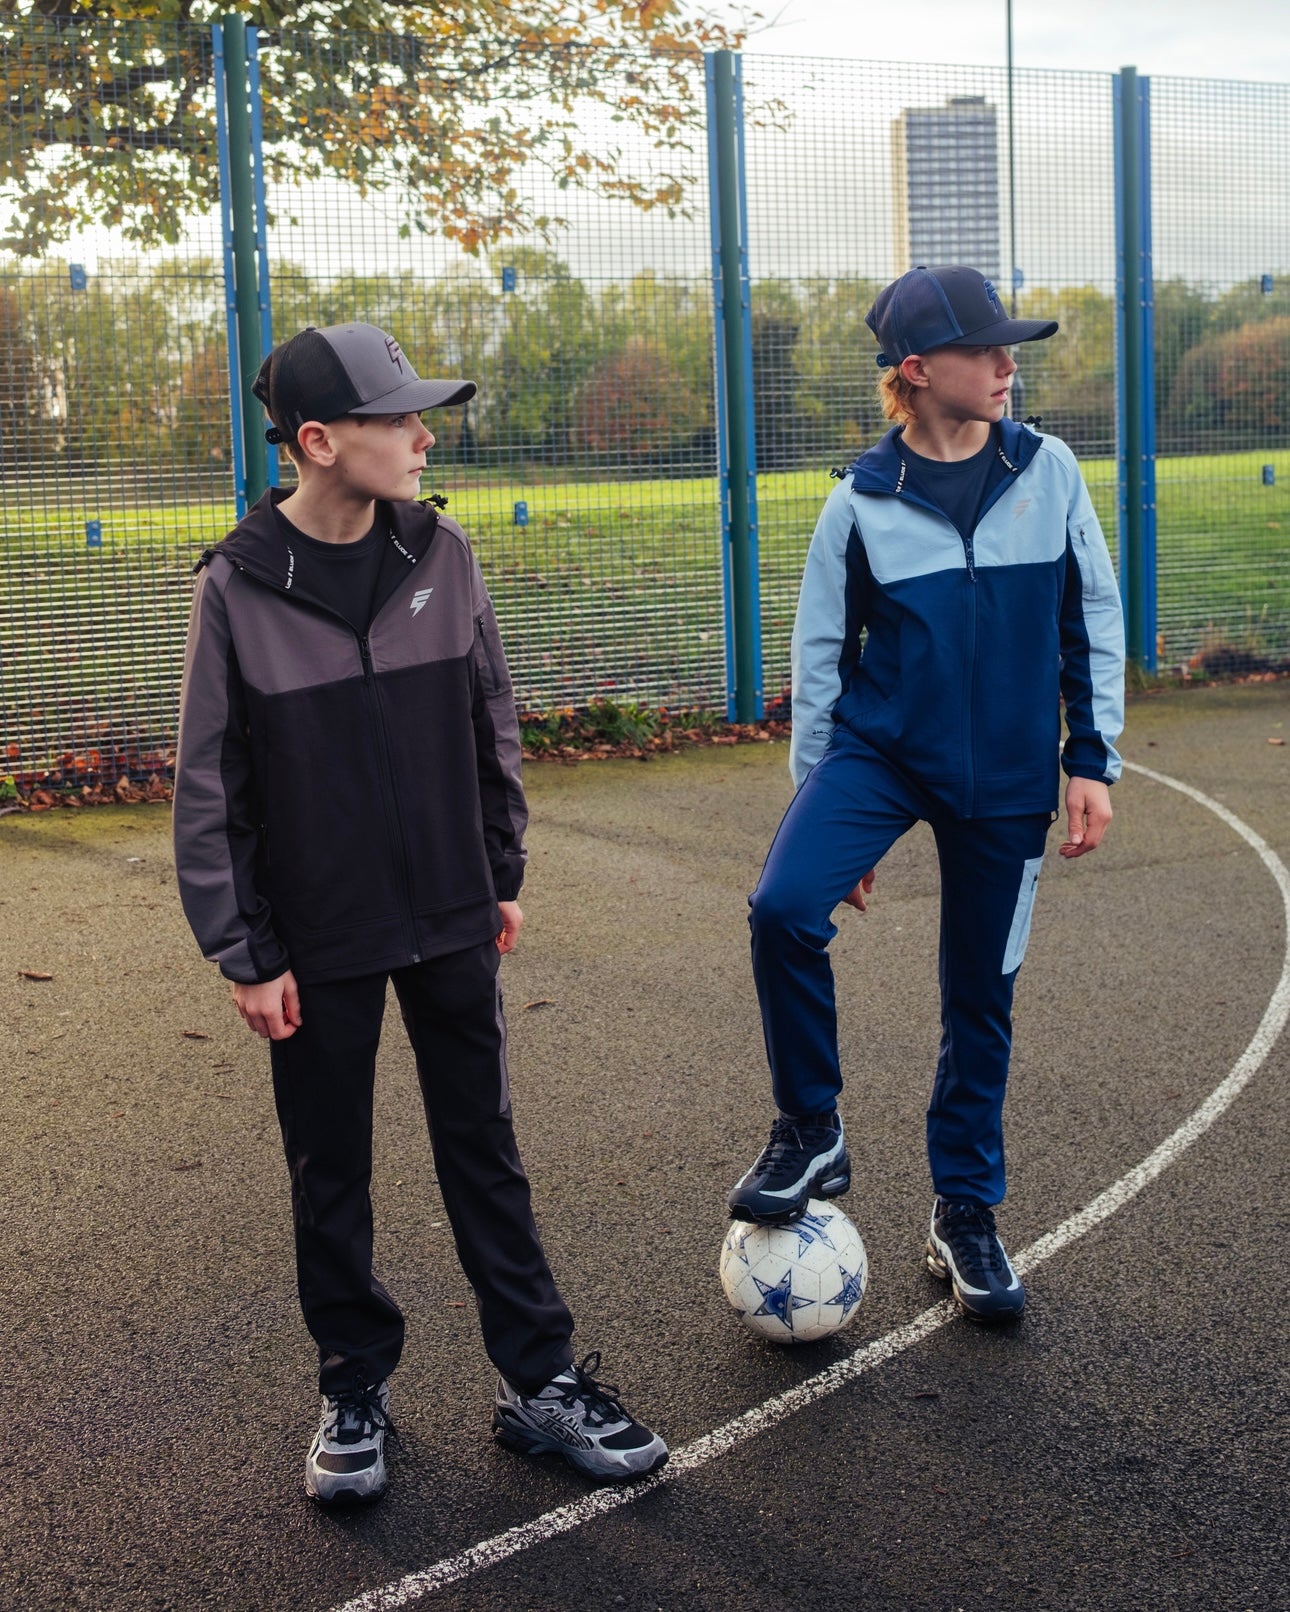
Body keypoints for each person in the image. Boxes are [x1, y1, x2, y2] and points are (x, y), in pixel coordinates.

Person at [172, 322, 667, 1504]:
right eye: (397, 418)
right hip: (316, 936)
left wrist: (499, 871)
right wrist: (244, 952)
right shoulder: (236, 585)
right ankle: (353, 1385)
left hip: (449, 907)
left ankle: (539, 1379)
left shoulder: (443, 551)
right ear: (319, 441)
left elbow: (491, 715)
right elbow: (209, 783)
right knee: (330, 1167)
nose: (421, 437)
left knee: (484, 1149)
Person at [727, 266, 1125, 1322]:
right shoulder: (859, 502)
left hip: (1009, 776)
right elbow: (821, 658)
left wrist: (1091, 759)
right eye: (984, 349)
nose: (1006, 365)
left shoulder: (1050, 470)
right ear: (916, 369)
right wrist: (822, 804)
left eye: (1010, 349)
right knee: (783, 907)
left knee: (979, 996)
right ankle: (812, 1128)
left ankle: (965, 1212)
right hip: (882, 754)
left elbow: (1092, 615)